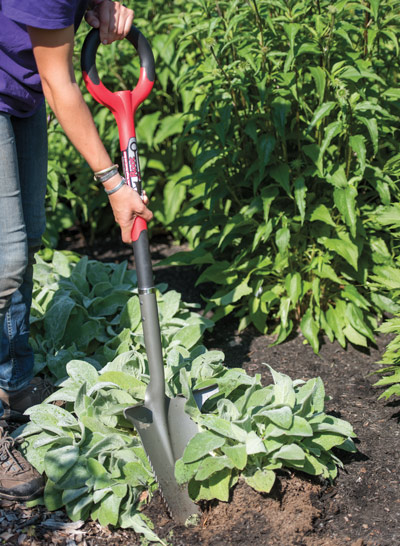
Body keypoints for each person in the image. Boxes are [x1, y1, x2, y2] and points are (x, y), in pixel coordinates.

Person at [0, 0, 152, 501]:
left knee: (27, 241)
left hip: (16, 93)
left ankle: (16, 384)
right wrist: (114, 185)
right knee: (4, 263)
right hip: (19, 86)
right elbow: (59, 84)